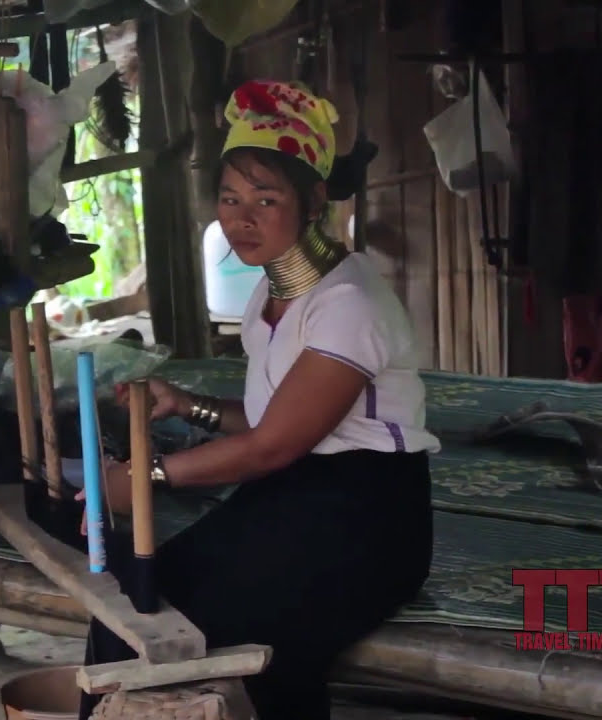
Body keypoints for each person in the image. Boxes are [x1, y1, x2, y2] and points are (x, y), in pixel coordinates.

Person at [75, 79, 439, 720]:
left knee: (254, 643)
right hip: (292, 495)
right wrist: (188, 406)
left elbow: (275, 444)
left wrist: (140, 477)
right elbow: (280, 421)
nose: (241, 219)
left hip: (366, 521)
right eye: (229, 199)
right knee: (136, 608)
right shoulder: (271, 293)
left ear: (314, 199)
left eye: (265, 200)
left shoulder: (347, 305)